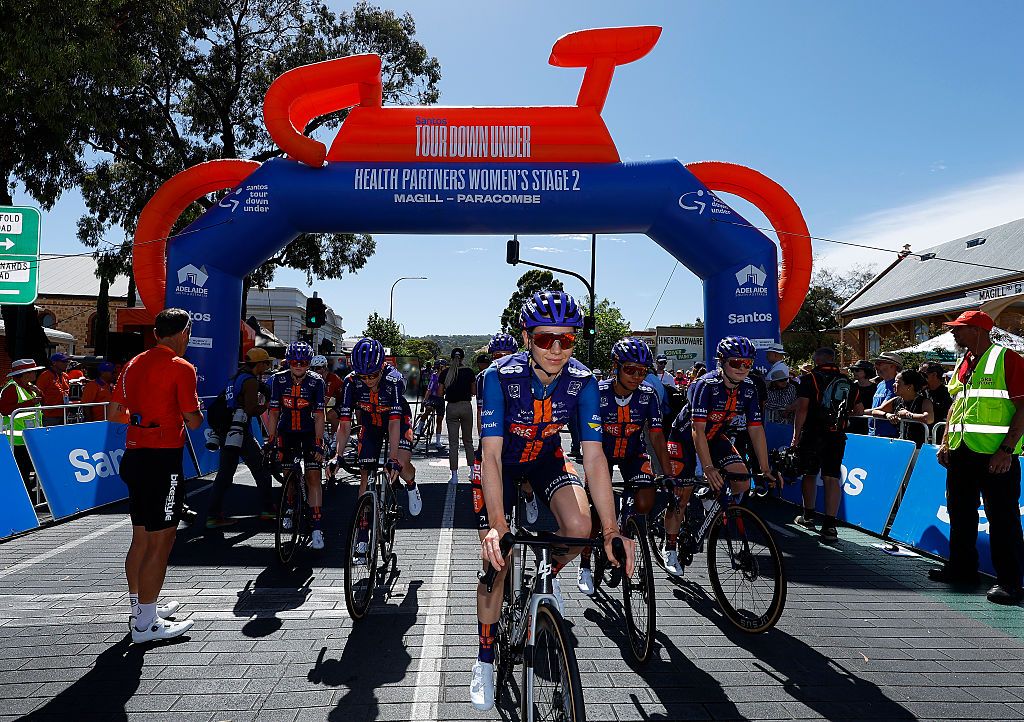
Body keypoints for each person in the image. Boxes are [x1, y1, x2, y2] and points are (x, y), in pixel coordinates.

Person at [471, 290, 634, 711]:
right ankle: (485, 657)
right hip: (501, 465)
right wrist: (495, 525)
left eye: (567, 338)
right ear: (527, 337)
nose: (557, 349)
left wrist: (612, 530)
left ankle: (548, 572)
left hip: (545, 460)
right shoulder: (498, 377)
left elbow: (595, 457)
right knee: (496, 562)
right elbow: (489, 454)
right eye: (546, 339)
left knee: (581, 527)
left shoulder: (582, 381)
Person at [110, 308, 200, 643]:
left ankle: (141, 608)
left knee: (142, 538)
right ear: (184, 332)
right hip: (163, 460)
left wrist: (144, 420)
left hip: (135, 456)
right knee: (162, 542)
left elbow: (114, 414)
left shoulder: (133, 363)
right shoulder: (182, 367)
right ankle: (146, 625)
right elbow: (192, 420)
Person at [935, 310, 1024, 604]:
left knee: (1003, 520)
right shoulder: (964, 362)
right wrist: (946, 440)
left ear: (978, 330)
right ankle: (962, 569)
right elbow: (956, 404)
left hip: (995, 456)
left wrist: (1006, 450)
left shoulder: (1007, 359)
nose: (953, 333)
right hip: (962, 452)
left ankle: (1010, 582)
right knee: (960, 512)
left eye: (959, 329)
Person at [578, 337, 675, 590]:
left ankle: (626, 527)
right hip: (601, 454)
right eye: (630, 369)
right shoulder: (597, 393)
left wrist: (668, 473)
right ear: (616, 367)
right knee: (596, 513)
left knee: (645, 501)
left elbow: (656, 435)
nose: (636, 376)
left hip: (633, 453)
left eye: (642, 371)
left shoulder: (648, 395)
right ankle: (585, 564)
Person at [668, 337, 778, 554]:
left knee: (742, 482)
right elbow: (696, 430)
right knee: (682, 494)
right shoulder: (705, 385)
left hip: (716, 436)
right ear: (722, 362)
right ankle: (670, 545)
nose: (742, 368)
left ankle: (710, 496)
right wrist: (708, 468)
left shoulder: (749, 387)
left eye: (747, 363)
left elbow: (756, 429)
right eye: (736, 363)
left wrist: (765, 469)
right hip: (684, 438)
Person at [333, 338, 421, 561]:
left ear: (382, 366)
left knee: (400, 466)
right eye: (364, 376)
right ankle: (362, 535)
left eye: (373, 375)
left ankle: (411, 484)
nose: (369, 380)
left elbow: (393, 423)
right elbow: (344, 424)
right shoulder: (351, 383)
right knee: (365, 477)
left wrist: (392, 459)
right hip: (370, 425)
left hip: (397, 421)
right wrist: (337, 456)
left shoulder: (393, 380)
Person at [266, 342, 329, 550]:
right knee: (287, 475)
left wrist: (319, 444)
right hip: (286, 431)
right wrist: (271, 439)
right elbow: (274, 412)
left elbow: (320, 416)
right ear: (288, 362)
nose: (298, 366)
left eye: (303, 362)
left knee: (313, 477)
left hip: (309, 432)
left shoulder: (316, 381)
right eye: (294, 362)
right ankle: (290, 507)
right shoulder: (277, 379)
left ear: (309, 363)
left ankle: (318, 527)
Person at [205, 348, 275, 528]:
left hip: (224, 431)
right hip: (239, 432)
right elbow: (251, 409)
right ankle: (268, 510)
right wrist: (267, 405)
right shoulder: (250, 381)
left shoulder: (235, 377)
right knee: (261, 470)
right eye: (266, 363)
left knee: (225, 475)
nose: (267, 366)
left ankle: (213, 516)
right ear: (258, 364)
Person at [792, 347, 852, 541]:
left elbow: (802, 408)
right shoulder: (847, 381)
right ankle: (830, 525)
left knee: (809, 474)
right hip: (836, 435)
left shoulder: (809, 378)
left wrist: (795, 436)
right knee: (831, 477)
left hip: (813, 433)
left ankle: (808, 516)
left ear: (816, 359)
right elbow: (858, 409)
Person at [0, 358, 44, 486]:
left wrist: (39, 393)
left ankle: (30, 496)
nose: (35, 374)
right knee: (21, 472)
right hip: (17, 441)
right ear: (24, 374)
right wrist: (31, 402)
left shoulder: (29, 387)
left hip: (29, 438)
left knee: (28, 470)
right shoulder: (11, 389)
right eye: (33, 371)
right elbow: (4, 410)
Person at [437, 346, 476, 483]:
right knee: (468, 441)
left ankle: (454, 475)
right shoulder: (469, 372)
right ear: (463, 358)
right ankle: (472, 472)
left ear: (451, 358)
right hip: (466, 406)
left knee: (453, 444)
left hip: (451, 407)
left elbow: (440, 393)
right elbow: (474, 392)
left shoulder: (445, 373)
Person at [866, 369, 934, 447]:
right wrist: (887, 415)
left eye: (898, 382)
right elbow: (875, 411)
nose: (894, 385)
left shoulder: (924, 401)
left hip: (918, 447)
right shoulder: (896, 400)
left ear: (909, 386)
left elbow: (929, 418)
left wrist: (908, 415)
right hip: (901, 445)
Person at [868, 351, 903, 438]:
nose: (876, 366)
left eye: (879, 363)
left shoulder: (897, 385)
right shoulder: (880, 384)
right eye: (876, 363)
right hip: (873, 433)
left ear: (892, 366)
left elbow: (883, 409)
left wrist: (860, 412)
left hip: (888, 435)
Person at [36, 352, 72, 426]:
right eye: (63, 361)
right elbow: (38, 394)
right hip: (49, 415)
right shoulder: (45, 376)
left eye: (67, 361)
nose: (66, 364)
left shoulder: (65, 376)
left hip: (64, 413)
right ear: (54, 363)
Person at [846, 359, 878, 435]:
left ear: (866, 371)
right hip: (853, 423)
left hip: (869, 424)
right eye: (853, 370)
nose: (854, 372)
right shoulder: (851, 387)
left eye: (857, 370)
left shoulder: (876, 388)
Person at [920, 361, 953, 426]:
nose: (920, 377)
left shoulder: (948, 394)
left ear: (934, 375)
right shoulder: (921, 392)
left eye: (923, 374)